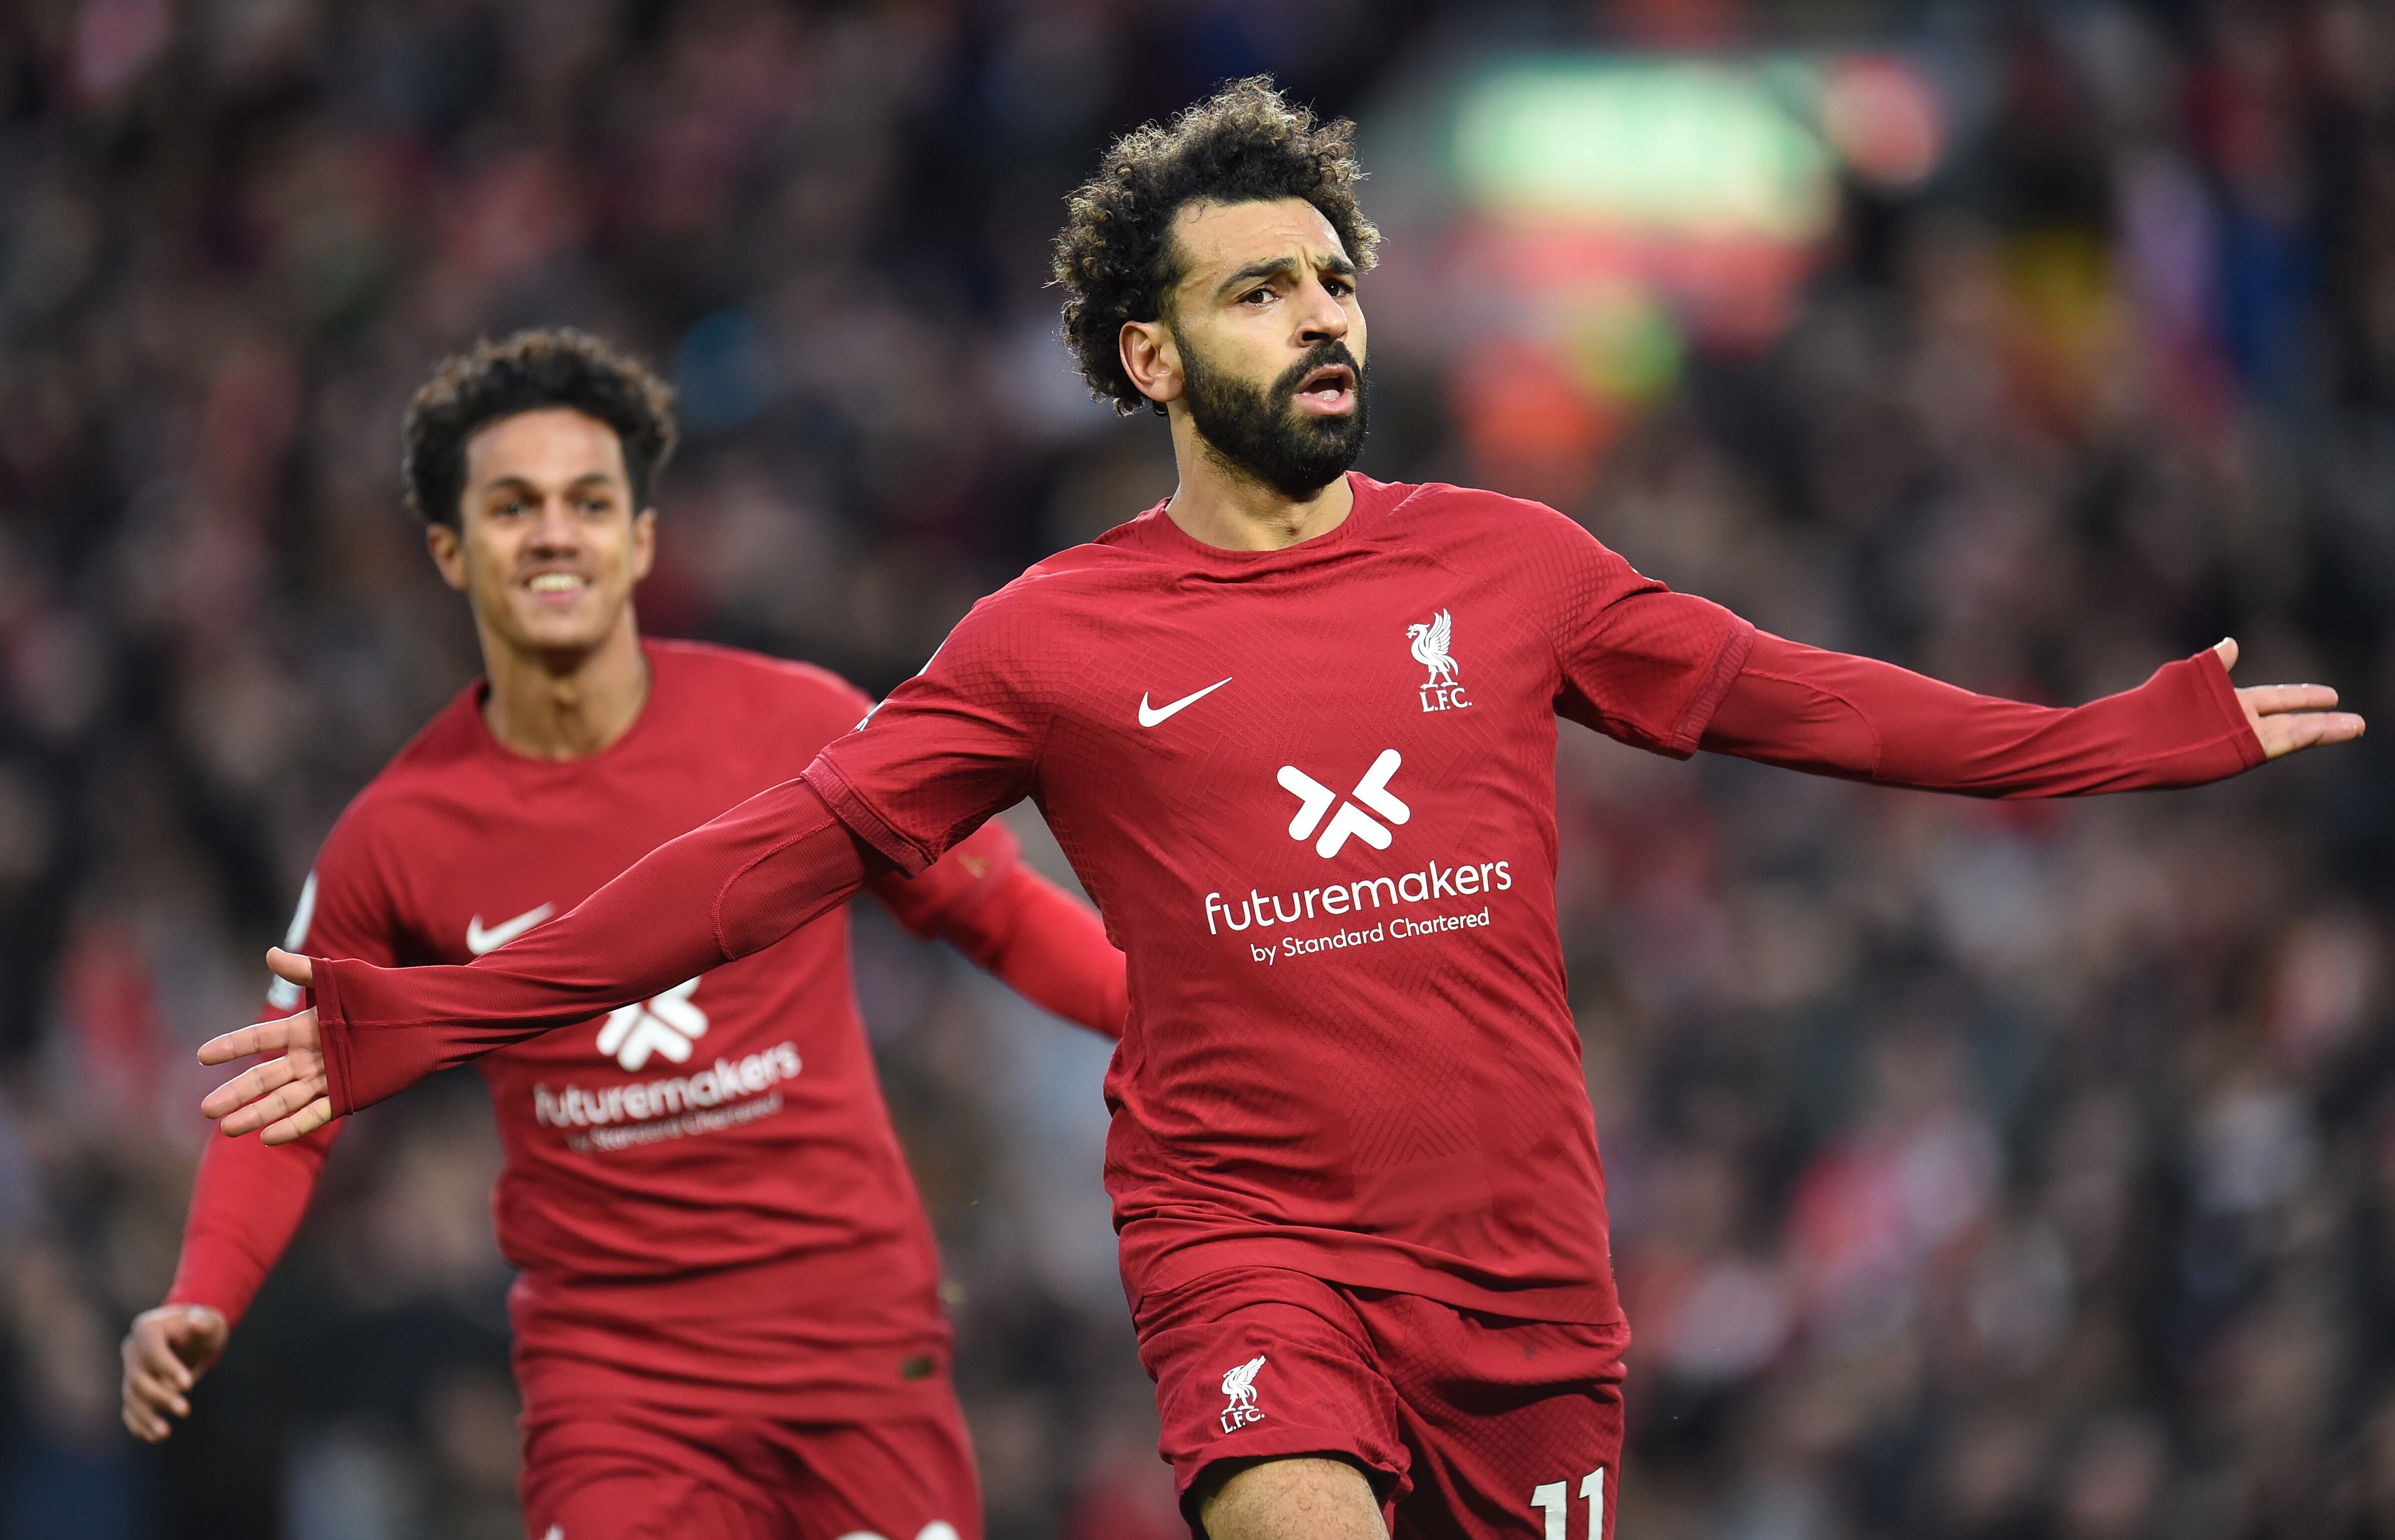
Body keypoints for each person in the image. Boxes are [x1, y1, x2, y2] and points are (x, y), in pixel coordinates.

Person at [196, 83, 2365, 1540]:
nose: (1322, 317)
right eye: (1260, 288)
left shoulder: (1510, 563)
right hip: (1248, 1247)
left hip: (1520, 1269)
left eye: (1333, 279)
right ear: (1148, 358)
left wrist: (2110, 735)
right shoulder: (1046, 637)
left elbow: (1806, 709)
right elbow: (761, 855)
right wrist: (435, 1016)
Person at [127, 329, 1126, 1540]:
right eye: (512, 505)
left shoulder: (800, 724)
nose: (555, 532)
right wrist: (203, 1291)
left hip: (854, 1342)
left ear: (642, 539)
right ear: (449, 548)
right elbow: (291, 1090)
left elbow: (1000, 912)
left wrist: (1171, 1007)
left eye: (589, 501)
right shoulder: (392, 835)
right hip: (618, 1386)